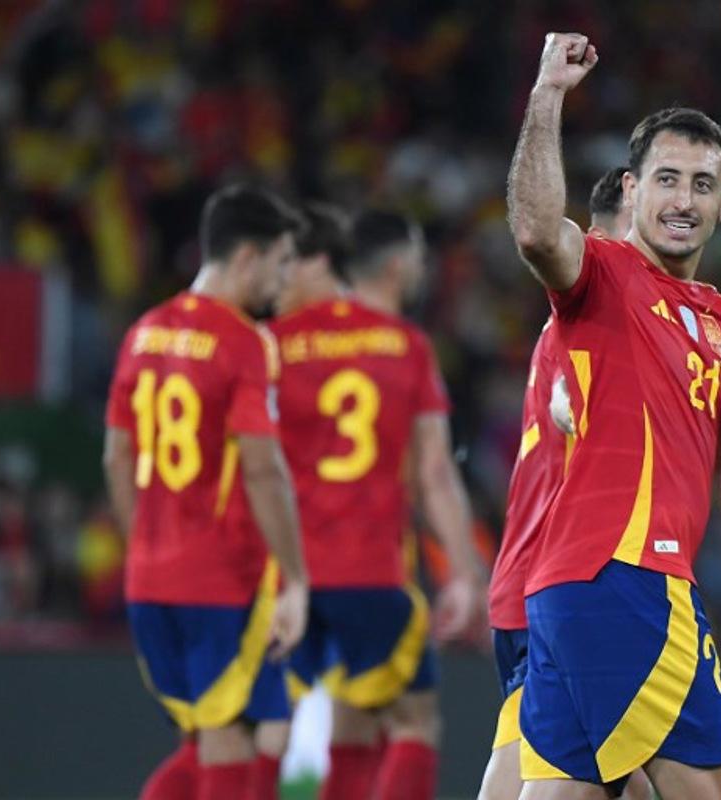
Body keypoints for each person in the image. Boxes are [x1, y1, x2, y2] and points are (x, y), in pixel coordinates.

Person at [506, 33, 721, 799]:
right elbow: (534, 233)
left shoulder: (718, 318)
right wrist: (547, 94)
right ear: (631, 190)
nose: (682, 201)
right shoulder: (605, 274)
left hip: (574, 590)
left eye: (701, 184)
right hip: (628, 577)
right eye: (666, 180)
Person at [267, 207, 487, 800]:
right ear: (396, 266)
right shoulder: (406, 347)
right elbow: (435, 473)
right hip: (370, 570)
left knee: (283, 729)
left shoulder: (280, 342)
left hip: (284, 575)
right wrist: (464, 575)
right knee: (412, 722)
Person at [103, 185, 309, 800]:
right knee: (227, 743)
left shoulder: (142, 334)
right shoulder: (244, 342)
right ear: (247, 257)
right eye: (278, 265)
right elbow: (262, 468)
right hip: (221, 578)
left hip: (151, 579)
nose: (280, 284)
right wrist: (295, 580)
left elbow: (116, 454)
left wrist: (143, 545)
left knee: (253, 730)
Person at [478, 166, 647, 800]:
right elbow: (567, 398)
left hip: (529, 583)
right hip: (565, 586)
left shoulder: (562, 328)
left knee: (572, 776)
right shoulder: (595, 307)